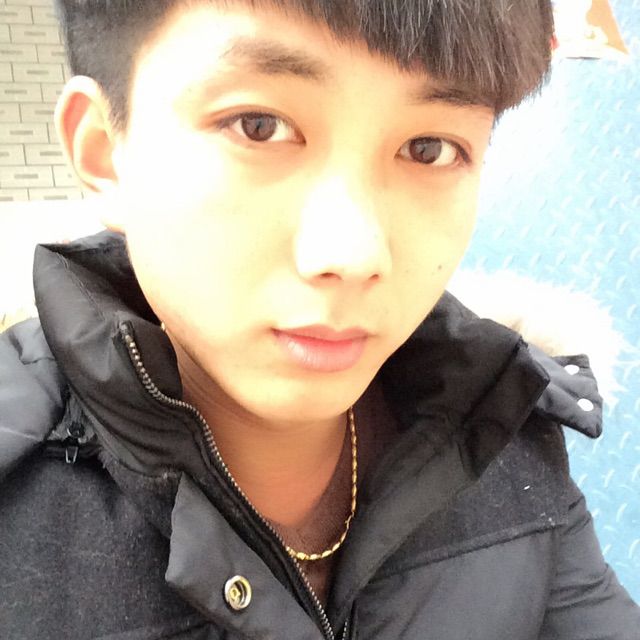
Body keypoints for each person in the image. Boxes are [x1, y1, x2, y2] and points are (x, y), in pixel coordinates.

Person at [0, 1, 638, 638]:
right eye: (258, 126)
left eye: (429, 148)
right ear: (105, 152)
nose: (353, 255)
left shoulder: (502, 427)